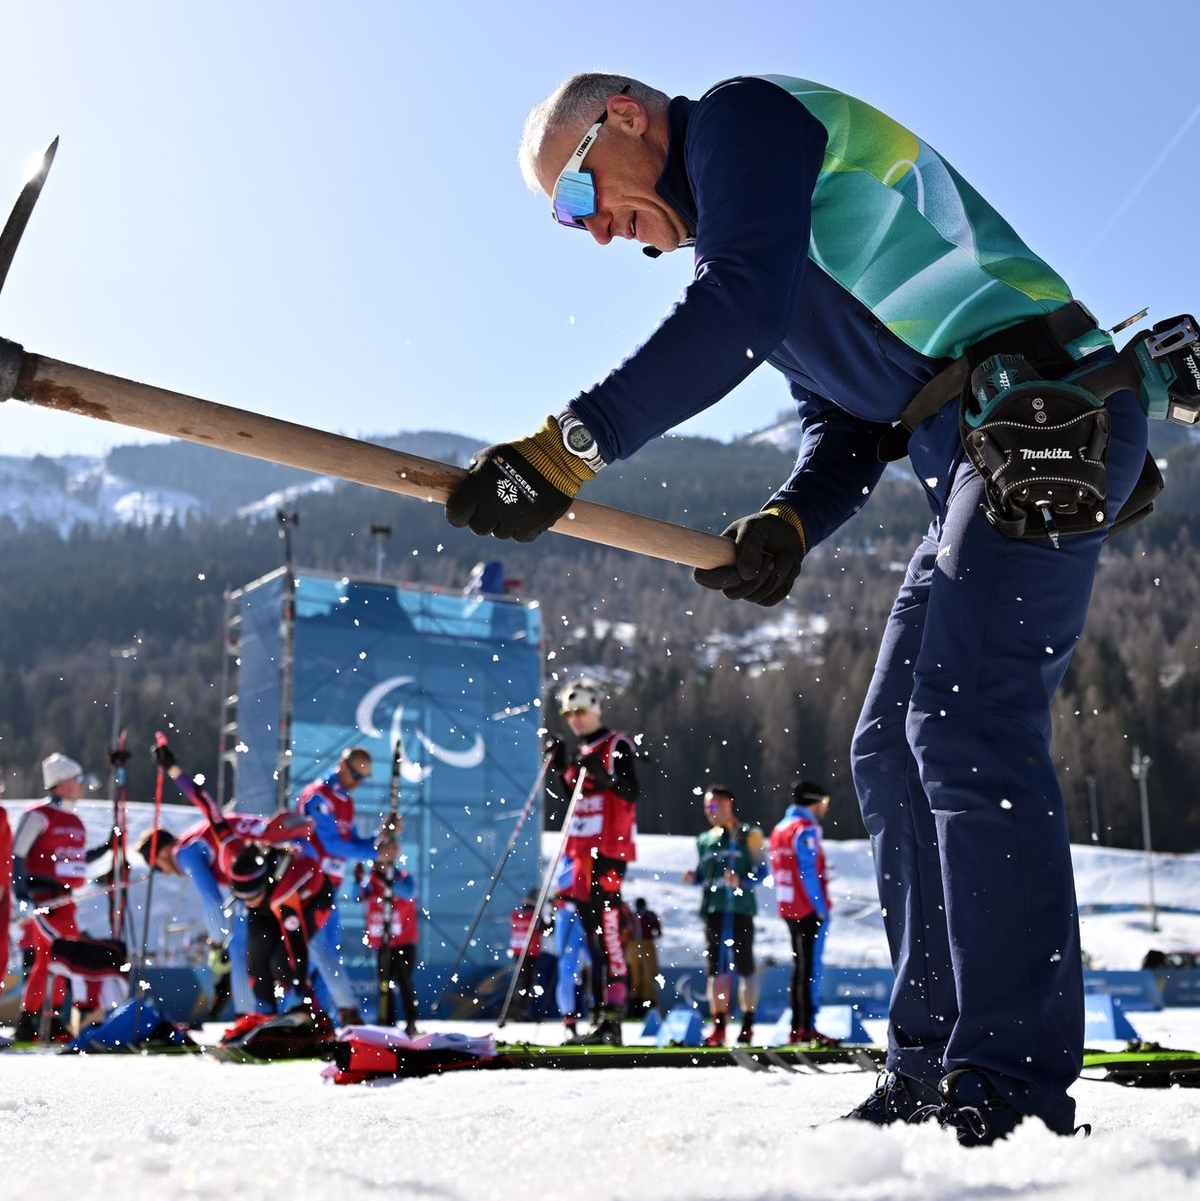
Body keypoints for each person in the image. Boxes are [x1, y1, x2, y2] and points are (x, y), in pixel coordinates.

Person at [444, 71, 1154, 1144]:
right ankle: (931, 1060)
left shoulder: (741, 123)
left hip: (1047, 410)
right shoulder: (746, 236)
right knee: (889, 746)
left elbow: (736, 307)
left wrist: (567, 448)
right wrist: (787, 521)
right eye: (569, 220)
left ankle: (1011, 1081)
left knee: (965, 722)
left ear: (627, 116)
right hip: (969, 443)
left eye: (578, 196)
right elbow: (846, 429)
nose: (591, 233)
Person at [136, 736, 314, 1015]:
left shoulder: (187, 852)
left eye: (157, 867)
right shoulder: (221, 839)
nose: (165, 873)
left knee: (249, 949)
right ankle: (293, 1012)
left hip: (289, 877)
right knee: (289, 953)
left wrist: (217, 944)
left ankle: (256, 1016)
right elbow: (207, 804)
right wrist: (173, 770)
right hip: (298, 867)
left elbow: (212, 902)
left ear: (161, 854)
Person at [544, 678, 639, 1045]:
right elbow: (576, 799)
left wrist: (604, 775)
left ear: (595, 708)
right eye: (569, 713)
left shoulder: (615, 744)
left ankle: (611, 1020)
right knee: (594, 941)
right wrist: (559, 766)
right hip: (580, 857)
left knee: (609, 936)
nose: (575, 720)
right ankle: (599, 1019)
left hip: (608, 854)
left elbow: (631, 791)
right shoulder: (580, 749)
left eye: (580, 711)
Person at [9, 754, 108, 1040]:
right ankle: (32, 1022)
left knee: (56, 960)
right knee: (55, 958)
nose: (81, 786)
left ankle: (47, 1022)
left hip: (66, 902)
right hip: (43, 901)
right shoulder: (38, 815)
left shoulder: (75, 820)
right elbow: (18, 854)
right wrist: (21, 895)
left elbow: (74, 862)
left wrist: (108, 848)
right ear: (61, 784)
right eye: (77, 781)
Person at [296, 747, 396, 1022]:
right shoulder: (318, 795)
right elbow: (330, 844)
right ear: (341, 764)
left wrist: (381, 837)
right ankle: (299, 1015)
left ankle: (322, 1018)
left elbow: (352, 845)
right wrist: (377, 853)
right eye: (355, 774)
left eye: (363, 777)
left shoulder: (346, 801)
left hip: (331, 888)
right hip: (309, 887)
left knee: (330, 954)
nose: (358, 782)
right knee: (316, 952)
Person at [684, 786, 765, 1045]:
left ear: (728, 805)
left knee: (745, 969)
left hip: (740, 910)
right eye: (706, 807)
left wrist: (742, 881)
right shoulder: (704, 839)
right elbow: (702, 873)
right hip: (713, 911)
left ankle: (748, 1025)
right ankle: (718, 1027)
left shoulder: (748, 834)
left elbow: (763, 873)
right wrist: (693, 877)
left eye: (714, 807)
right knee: (715, 971)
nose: (709, 813)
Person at [769, 780, 832, 1044]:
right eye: (825, 803)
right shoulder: (805, 829)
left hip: (788, 905)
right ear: (814, 802)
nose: (825, 810)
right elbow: (808, 871)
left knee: (799, 968)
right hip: (807, 908)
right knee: (810, 968)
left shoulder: (779, 827)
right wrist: (820, 908)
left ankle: (797, 1026)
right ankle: (807, 1026)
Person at [356, 843, 420, 1036]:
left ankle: (411, 1021)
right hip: (382, 944)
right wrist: (356, 879)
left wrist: (387, 880)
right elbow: (356, 896)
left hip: (404, 942)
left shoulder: (403, 877)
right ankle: (387, 1023)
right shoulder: (372, 881)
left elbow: (408, 893)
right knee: (384, 985)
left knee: (404, 982)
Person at [507, 888, 542, 1021]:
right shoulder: (534, 915)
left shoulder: (515, 914)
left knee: (522, 982)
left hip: (517, 951)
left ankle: (520, 1011)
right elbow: (547, 928)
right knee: (527, 983)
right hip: (530, 952)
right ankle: (522, 1012)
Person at [626, 897, 662, 1016]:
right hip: (644, 944)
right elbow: (658, 931)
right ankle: (645, 1003)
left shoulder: (632, 916)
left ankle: (638, 1004)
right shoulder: (648, 915)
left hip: (635, 945)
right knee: (647, 975)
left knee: (639, 976)